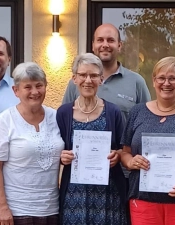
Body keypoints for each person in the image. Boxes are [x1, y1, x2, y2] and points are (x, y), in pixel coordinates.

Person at [121, 56, 175, 225]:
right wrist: (131, 161)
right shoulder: (138, 112)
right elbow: (125, 152)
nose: (166, 83)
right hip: (143, 200)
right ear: (154, 81)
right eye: (161, 78)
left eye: (173, 78)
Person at [0, 62, 64, 225]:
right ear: (16, 91)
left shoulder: (56, 117)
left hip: (50, 209)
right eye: (27, 87)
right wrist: (2, 207)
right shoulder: (4, 121)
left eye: (39, 86)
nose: (35, 92)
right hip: (15, 212)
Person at [57, 53, 127, 225]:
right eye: (82, 75)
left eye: (94, 75)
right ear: (74, 78)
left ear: (101, 79)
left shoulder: (113, 112)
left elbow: (125, 149)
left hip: (108, 193)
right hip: (74, 194)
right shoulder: (63, 113)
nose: (88, 80)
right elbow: (55, 148)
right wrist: (62, 156)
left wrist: (117, 155)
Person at [62, 23, 150, 124]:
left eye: (110, 40)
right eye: (100, 40)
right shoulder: (77, 83)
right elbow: (65, 120)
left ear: (119, 46)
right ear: (93, 45)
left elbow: (146, 122)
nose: (105, 45)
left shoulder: (136, 82)